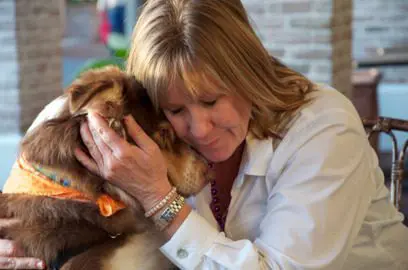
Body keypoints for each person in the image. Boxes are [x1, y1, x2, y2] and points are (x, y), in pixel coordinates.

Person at [1, 0, 408, 269]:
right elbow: (26, 193)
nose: (198, 129)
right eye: (176, 110)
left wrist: (158, 197)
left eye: (212, 101)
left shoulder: (323, 126)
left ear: (248, 74)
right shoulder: (120, 112)